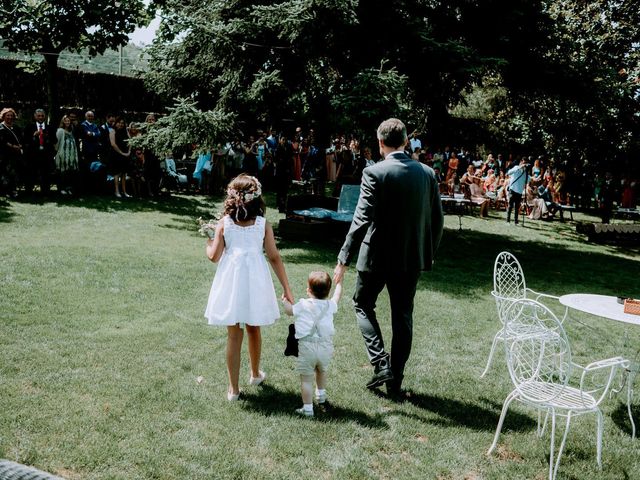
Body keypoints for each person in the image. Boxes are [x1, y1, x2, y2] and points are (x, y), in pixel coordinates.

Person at [333, 118, 444, 398]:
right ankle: (395, 382)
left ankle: (381, 363)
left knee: (361, 304)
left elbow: (361, 219)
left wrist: (343, 256)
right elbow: (437, 221)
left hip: (376, 258)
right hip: (410, 259)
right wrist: (425, 253)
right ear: (406, 142)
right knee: (403, 317)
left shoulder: (375, 173)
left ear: (380, 142)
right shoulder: (427, 173)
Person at [204, 174, 294, 401]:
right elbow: (274, 257)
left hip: (231, 281)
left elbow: (214, 257)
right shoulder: (263, 225)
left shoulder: (224, 224)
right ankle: (254, 373)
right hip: (255, 280)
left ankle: (233, 389)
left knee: (234, 334)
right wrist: (286, 287)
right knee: (254, 328)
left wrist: (208, 244)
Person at [282, 271, 342, 417]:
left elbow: (290, 312)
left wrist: (285, 302)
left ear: (309, 290)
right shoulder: (330, 305)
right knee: (321, 371)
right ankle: (321, 397)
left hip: (306, 347)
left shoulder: (303, 304)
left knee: (306, 379)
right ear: (328, 291)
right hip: (325, 346)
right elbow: (337, 296)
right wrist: (339, 283)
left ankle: (308, 409)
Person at [22, 108, 55, 196]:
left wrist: (47, 137)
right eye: (38, 116)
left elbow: (54, 140)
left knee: (46, 173)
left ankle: (45, 192)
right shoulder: (29, 127)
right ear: (35, 116)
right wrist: (33, 135)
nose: (40, 117)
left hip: (46, 155)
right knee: (31, 173)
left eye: (42, 116)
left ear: (45, 116)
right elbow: (24, 140)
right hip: (33, 155)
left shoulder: (50, 128)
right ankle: (29, 191)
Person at [54, 115, 79, 196]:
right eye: (66, 121)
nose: (67, 122)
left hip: (71, 156)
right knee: (62, 172)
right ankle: (61, 188)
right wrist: (59, 154)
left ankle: (68, 188)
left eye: (68, 121)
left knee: (70, 173)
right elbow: (56, 144)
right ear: (63, 122)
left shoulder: (72, 131)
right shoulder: (60, 131)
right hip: (62, 155)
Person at [0, 107, 22, 198]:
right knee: (4, 173)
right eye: (7, 115)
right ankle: (4, 191)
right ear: (3, 116)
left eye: (11, 115)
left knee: (13, 173)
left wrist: (20, 146)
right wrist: (13, 147)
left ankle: (12, 190)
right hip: (4, 155)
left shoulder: (16, 127)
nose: (9, 117)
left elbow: (20, 138)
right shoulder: (1, 127)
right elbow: (2, 141)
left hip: (15, 155)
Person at [506, 157, 528, 224]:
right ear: (521, 162)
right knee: (510, 206)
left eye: (525, 163)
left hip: (519, 191)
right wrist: (519, 167)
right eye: (524, 162)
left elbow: (528, 179)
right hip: (512, 189)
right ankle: (508, 220)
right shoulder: (516, 167)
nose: (524, 164)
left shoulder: (525, 172)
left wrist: (535, 179)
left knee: (517, 207)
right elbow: (509, 172)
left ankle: (516, 221)